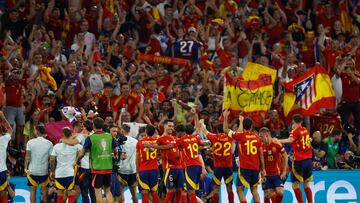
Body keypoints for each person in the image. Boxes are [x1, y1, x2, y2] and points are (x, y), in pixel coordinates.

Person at [223, 111, 265, 203]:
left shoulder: (240, 136)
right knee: (254, 190)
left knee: (239, 189)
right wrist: (263, 169)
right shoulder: (257, 137)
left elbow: (225, 129)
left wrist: (225, 117)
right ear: (251, 126)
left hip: (245, 167)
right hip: (255, 167)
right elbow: (261, 155)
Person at [75, 117, 119, 203]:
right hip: (108, 168)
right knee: (108, 191)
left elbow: (82, 153)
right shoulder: (109, 136)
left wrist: (76, 161)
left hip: (97, 169)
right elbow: (116, 150)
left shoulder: (91, 138)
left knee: (98, 192)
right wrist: (114, 156)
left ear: (93, 126)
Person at [276, 114, 313, 203]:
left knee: (295, 185)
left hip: (299, 161)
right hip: (308, 160)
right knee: (306, 184)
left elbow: (290, 140)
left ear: (293, 122)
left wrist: (278, 140)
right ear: (301, 121)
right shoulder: (306, 130)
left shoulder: (295, 131)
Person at [199, 112, 235, 203]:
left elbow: (204, 130)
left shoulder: (214, 137)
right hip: (228, 166)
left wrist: (202, 123)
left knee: (216, 188)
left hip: (218, 167)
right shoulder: (230, 137)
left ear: (217, 131)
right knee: (229, 188)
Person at [146, 120, 184, 203]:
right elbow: (153, 149)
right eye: (169, 126)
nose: (171, 128)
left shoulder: (174, 138)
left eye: (172, 126)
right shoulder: (160, 138)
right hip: (169, 168)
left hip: (179, 168)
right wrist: (149, 147)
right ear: (164, 126)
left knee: (179, 191)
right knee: (170, 192)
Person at [61, 120, 96, 203]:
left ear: (84, 127)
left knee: (84, 192)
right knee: (93, 192)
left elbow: (72, 143)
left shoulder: (81, 136)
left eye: (82, 126)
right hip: (95, 168)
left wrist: (62, 140)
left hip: (85, 169)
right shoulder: (95, 136)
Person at [49, 127, 82, 203]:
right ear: (70, 134)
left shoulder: (56, 146)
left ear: (62, 134)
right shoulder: (75, 146)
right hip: (70, 173)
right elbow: (83, 152)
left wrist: (52, 171)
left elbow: (52, 159)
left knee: (60, 193)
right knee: (71, 193)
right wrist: (77, 161)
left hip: (59, 173)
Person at [24, 124, 53, 203]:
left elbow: (27, 156)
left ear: (36, 132)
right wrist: (52, 171)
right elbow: (51, 159)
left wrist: (25, 168)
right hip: (44, 171)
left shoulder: (30, 142)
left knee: (32, 193)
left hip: (32, 171)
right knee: (45, 194)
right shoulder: (49, 143)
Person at [258, 127, 288, 203]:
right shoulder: (260, 145)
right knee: (268, 194)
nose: (260, 138)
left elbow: (285, 156)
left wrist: (284, 171)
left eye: (261, 136)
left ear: (267, 135)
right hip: (266, 174)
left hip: (276, 173)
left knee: (280, 192)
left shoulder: (276, 143)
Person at [136, 125, 161, 203]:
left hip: (143, 170)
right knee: (154, 192)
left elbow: (137, 158)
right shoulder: (157, 141)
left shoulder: (140, 143)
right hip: (154, 170)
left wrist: (137, 171)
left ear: (145, 131)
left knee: (144, 192)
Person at [117, 124, 138, 203]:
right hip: (133, 170)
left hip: (122, 170)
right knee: (134, 194)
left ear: (122, 130)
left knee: (120, 194)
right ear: (129, 131)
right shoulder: (136, 141)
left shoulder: (119, 141)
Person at [0, 111, 13, 202]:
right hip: (1, 170)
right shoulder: (3, 139)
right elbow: (10, 129)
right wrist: (2, 116)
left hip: (2, 169)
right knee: (3, 193)